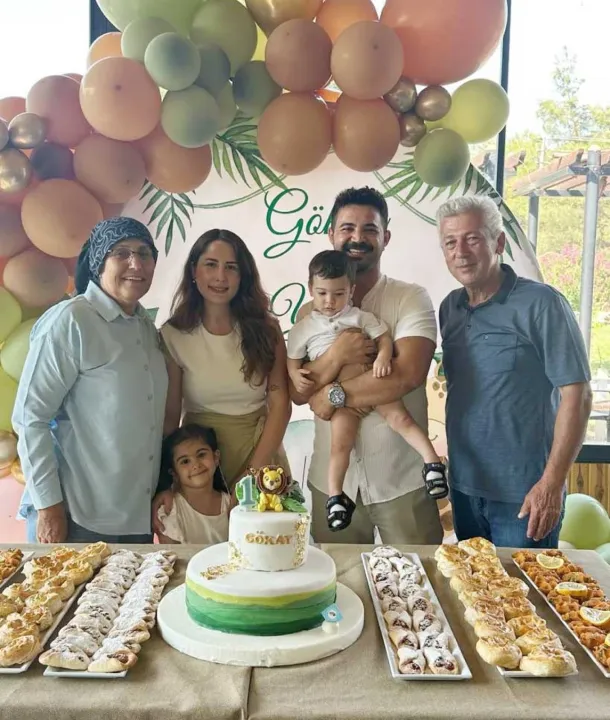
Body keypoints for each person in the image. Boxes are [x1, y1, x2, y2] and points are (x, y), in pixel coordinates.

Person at [290, 187, 443, 545]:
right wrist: (338, 356)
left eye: (369, 229)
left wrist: (332, 395)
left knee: (418, 575)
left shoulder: (409, 298)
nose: (357, 238)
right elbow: (300, 391)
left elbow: (406, 375)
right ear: (331, 234)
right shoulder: (308, 314)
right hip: (333, 486)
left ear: (385, 237)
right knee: (338, 578)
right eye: (347, 228)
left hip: (401, 482)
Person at [437, 195, 592, 548]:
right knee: (474, 584)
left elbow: (578, 395)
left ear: (499, 242)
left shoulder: (542, 304)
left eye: (473, 238)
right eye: (451, 242)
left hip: (525, 496)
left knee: (524, 586)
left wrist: (551, 484)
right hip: (465, 490)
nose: (461, 252)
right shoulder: (450, 308)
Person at [13, 217, 168, 544]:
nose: (136, 263)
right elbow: (30, 417)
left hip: (133, 517)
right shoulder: (72, 320)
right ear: (98, 261)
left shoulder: (145, 327)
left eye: (144, 253)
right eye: (121, 253)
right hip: (74, 514)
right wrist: (49, 508)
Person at [153, 229, 291, 535]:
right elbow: (170, 416)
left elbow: (281, 404)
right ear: (194, 271)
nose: (220, 276)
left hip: (261, 452)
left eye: (231, 267)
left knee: (267, 547)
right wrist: (165, 482)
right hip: (201, 462)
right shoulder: (173, 335)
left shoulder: (266, 330)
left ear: (243, 275)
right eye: (211, 265)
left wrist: (252, 474)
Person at [156, 424, 233, 544]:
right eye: (185, 461)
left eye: (201, 455)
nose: (196, 465)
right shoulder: (171, 510)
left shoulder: (230, 505)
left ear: (216, 457)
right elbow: (170, 553)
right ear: (174, 473)